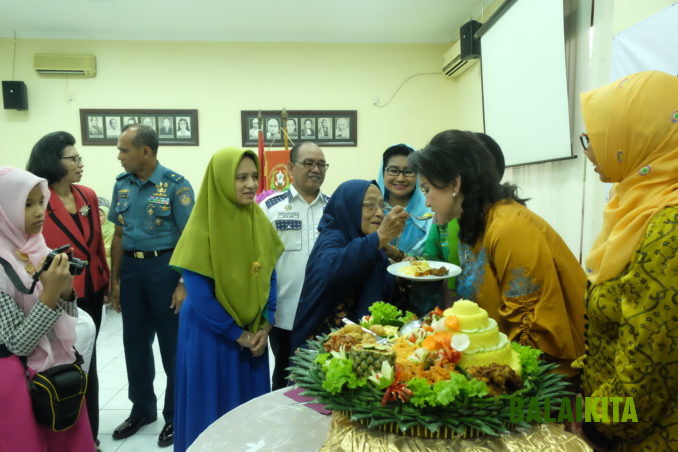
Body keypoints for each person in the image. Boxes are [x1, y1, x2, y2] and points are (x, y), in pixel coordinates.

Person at [410, 130, 586, 376]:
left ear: (455, 184)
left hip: (537, 375)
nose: (427, 202)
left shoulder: (509, 226)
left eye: (427, 189)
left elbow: (531, 327)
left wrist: (502, 379)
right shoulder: (473, 224)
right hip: (497, 364)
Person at [576, 71, 677, 451]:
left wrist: (595, 424)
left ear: (636, 135)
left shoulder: (669, 227)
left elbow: (648, 368)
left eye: (594, 137)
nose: (588, 150)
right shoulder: (635, 203)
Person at [171, 148, 283, 452]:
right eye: (240, 177)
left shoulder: (258, 220)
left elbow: (270, 274)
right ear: (220, 180)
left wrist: (265, 326)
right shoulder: (202, 226)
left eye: (254, 176)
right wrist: (238, 335)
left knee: (248, 416)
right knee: (211, 412)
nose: (251, 184)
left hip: (253, 333)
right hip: (211, 335)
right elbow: (200, 295)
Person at [108, 124, 194, 448]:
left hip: (165, 269)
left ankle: (175, 415)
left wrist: (184, 283)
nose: (119, 156)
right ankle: (142, 410)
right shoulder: (122, 185)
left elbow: (190, 239)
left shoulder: (176, 185)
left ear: (145, 151)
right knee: (134, 345)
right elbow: (118, 236)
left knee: (172, 348)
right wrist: (115, 281)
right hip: (132, 270)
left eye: (124, 150)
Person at [0, 167, 95, 451]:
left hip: (57, 375)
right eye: (26, 204)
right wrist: (51, 293)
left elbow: (68, 318)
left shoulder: (35, 248)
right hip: (19, 383)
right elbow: (18, 344)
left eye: (41, 201)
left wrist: (64, 290)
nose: (39, 211)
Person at [26, 131, 110, 446]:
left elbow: (96, 244)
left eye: (79, 158)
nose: (79, 163)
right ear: (52, 161)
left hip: (92, 289)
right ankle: (63, 431)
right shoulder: (36, 199)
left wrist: (107, 280)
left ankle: (91, 436)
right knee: (62, 363)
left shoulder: (87, 195)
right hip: (56, 295)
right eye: (72, 158)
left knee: (89, 361)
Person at [289, 179, 409, 354]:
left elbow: (385, 290)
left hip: (364, 347)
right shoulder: (333, 236)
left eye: (381, 206)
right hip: (326, 349)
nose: (379, 213)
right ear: (348, 207)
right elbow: (330, 271)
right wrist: (380, 237)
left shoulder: (371, 245)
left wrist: (404, 267)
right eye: (370, 205)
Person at [260, 142, 329, 390]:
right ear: (290, 168)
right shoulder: (270, 208)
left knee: (325, 378)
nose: (316, 169)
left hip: (325, 311)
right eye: (308, 163)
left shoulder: (334, 207)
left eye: (321, 164)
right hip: (284, 313)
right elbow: (260, 260)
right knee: (283, 377)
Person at [422, 132, 506, 293]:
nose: (427, 203)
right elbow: (432, 256)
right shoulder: (455, 214)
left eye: (427, 188)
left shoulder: (505, 224)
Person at [376, 144, 431, 258]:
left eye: (409, 171)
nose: (400, 178)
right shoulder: (369, 211)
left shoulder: (431, 213)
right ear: (382, 173)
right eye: (393, 170)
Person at [97, 196, 115, 268]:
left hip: (110, 263)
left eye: (100, 215)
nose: (97, 218)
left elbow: (114, 249)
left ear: (107, 215)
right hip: (97, 264)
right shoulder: (93, 229)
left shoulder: (113, 230)